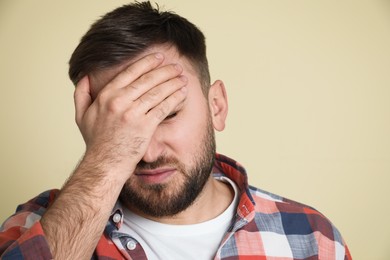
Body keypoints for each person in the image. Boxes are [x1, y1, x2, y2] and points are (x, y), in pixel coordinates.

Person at [0, 2, 351, 259]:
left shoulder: (312, 238)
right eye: (121, 123)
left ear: (217, 106)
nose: (148, 153)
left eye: (167, 113)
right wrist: (106, 160)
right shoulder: (33, 227)